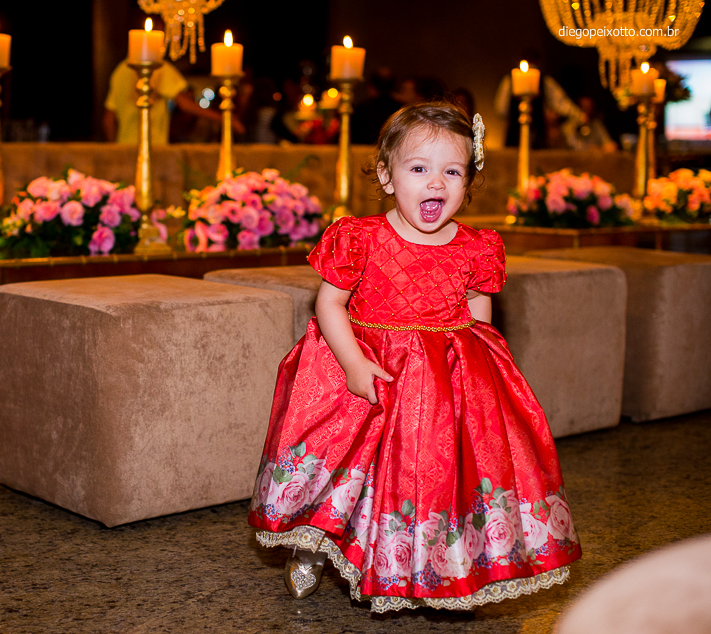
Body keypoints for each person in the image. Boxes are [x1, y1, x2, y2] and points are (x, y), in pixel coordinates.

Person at [247, 101, 581, 613]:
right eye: (419, 169)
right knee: (346, 468)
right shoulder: (359, 238)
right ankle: (311, 545)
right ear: (386, 175)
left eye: (453, 172)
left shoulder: (476, 247)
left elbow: (478, 317)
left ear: (469, 181)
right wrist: (353, 364)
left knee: (434, 477)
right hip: (370, 369)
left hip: (443, 384)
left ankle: (448, 560)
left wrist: (482, 380)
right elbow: (329, 303)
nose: (436, 184)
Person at [102, 59, 241, 145]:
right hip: (154, 147)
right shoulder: (158, 67)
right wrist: (225, 118)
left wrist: (116, 149)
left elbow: (108, 120)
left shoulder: (120, 70)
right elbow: (185, 104)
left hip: (124, 147)